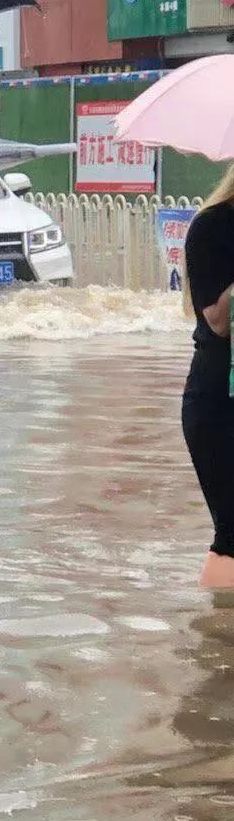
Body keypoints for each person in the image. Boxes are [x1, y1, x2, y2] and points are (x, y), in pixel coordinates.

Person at [181, 165, 234, 590]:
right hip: (222, 397)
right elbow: (217, 320)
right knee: (233, 531)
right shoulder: (213, 226)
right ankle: (218, 643)